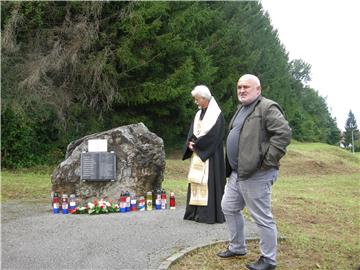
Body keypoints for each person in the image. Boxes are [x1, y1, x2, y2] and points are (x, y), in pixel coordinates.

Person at [217, 74, 291, 270]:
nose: (242, 90)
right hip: (237, 173)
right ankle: (237, 247)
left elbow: (283, 133)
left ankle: (268, 259)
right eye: (239, 87)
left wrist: (267, 161)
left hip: (257, 173)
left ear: (258, 89)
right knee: (229, 207)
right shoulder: (242, 108)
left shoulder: (267, 107)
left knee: (261, 217)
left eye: (246, 87)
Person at [182, 85, 226, 224]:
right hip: (198, 153)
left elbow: (215, 136)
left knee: (208, 182)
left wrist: (198, 145)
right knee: (196, 181)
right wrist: (190, 143)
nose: (195, 102)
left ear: (203, 98)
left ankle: (208, 214)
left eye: (196, 99)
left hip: (210, 154)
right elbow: (193, 131)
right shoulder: (199, 113)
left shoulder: (216, 114)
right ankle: (195, 213)